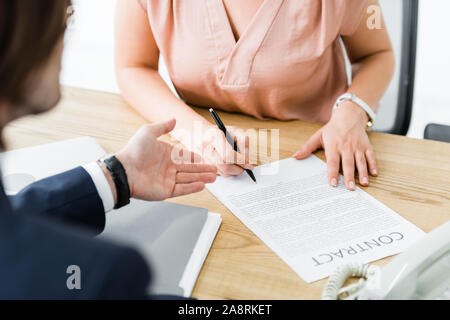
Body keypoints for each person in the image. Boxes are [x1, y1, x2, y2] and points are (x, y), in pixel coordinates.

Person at [0, 0, 217, 299]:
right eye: (66, 13)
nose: (66, 33)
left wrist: (115, 175)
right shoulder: (107, 275)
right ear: (18, 33)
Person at [115, 0, 395, 191]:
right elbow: (133, 67)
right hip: (203, 168)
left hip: (318, 160)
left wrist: (352, 112)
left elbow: (377, 55)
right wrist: (196, 134)